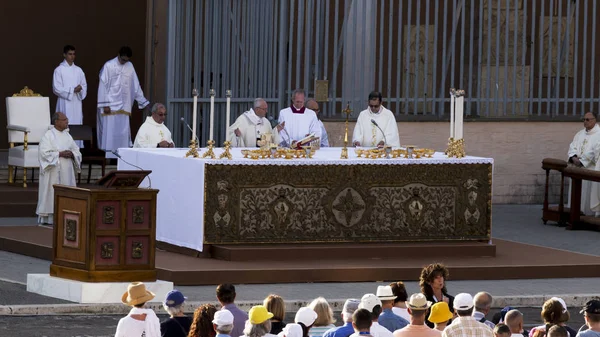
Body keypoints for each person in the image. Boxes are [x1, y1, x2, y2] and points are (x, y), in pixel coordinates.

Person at [97, 46, 150, 158]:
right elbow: (102, 85)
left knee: (122, 134)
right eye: (122, 59)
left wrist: (143, 101)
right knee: (110, 134)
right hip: (110, 106)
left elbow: (135, 85)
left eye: (126, 60)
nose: (124, 62)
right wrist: (105, 104)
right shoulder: (109, 65)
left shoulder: (130, 66)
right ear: (118, 55)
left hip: (124, 106)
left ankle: (122, 158)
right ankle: (108, 158)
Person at [36, 112, 82, 225]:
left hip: (67, 169)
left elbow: (77, 151)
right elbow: (44, 153)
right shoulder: (48, 135)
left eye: (67, 119)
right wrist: (60, 154)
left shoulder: (67, 135)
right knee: (52, 193)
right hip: (53, 170)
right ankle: (50, 218)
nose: (67, 121)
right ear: (56, 122)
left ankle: (67, 216)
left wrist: (72, 154)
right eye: (64, 119)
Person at [52, 45, 87, 148]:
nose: (72, 56)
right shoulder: (59, 70)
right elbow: (56, 88)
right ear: (64, 55)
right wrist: (72, 90)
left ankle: (76, 150)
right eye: (70, 54)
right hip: (64, 102)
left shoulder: (79, 70)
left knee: (76, 124)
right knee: (64, 123)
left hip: (76, 102)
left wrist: (80, 89)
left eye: (74, 54)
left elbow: (84, 85)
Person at [568, 111, 600, 215]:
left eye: (588, 119)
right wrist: (573, 157)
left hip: (589, 169)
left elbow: (595, 152)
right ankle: (573, 212)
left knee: (586, 194)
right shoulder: (580, 133)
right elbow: (572, 146)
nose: (585, 122)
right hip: (576, 168)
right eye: (584, 119)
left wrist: (581, 161)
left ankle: (586, 213)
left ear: (595, 120)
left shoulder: (598, 134)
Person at [420, 263, 455, 328]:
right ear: (428, 281)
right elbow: (428, 323)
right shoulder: (424, 301)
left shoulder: (451, 299)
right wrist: (443, 306)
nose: (440, 280)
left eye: (441, 276)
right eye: (436, 277)